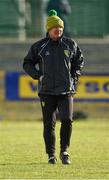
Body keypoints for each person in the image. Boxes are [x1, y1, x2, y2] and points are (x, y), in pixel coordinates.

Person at [23, 9, 84, 165]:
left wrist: (74, 76)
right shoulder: (39, 46)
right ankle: (51, 154)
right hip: (47, 92)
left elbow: (79, 61)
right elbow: (27, 63)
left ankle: (64, 151)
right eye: (55, 28)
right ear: (49, 30)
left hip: (66, 90)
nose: (59, 30)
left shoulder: (70, 44)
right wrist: (38, 75)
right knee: (49, 124)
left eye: (61, 28)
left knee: (67, 119)